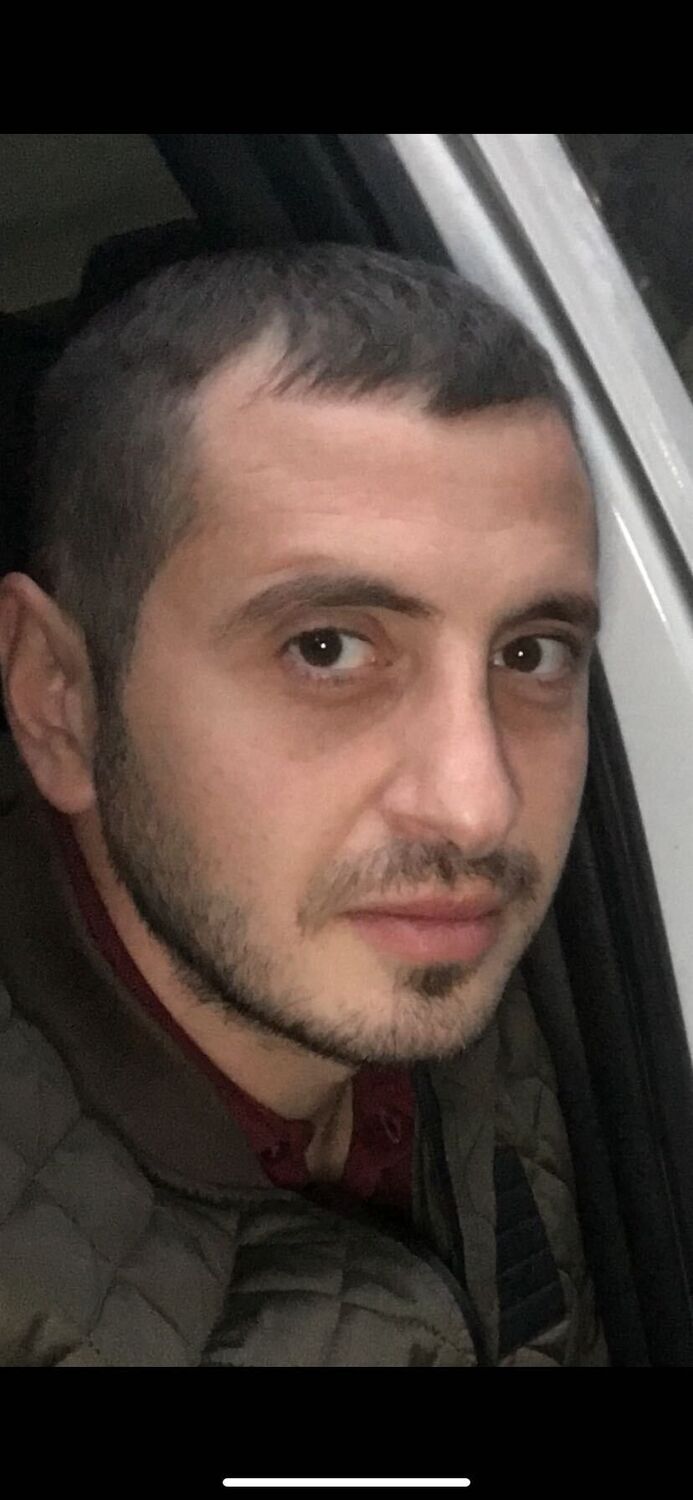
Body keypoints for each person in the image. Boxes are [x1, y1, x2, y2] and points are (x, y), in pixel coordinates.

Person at [0, 244, 607, 1366]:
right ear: (59, 700)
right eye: (327, 648)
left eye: (529, 652)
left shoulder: (553, 1003)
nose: (477, 810)